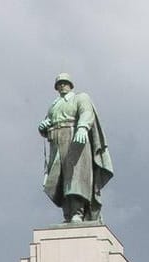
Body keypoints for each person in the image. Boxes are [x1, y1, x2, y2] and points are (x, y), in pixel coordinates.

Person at [38, 73, 113, 222]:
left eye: (65, 83)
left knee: (75, 177)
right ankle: (67, 213)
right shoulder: (54, 105)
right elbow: (48, 122)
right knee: (60, 178)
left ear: (70, 84)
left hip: (75, 140)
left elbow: (86, 112)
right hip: (56, 142)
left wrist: (83, 128)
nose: (62, 86)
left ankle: (77, 212)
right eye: (59, 84)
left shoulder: (80, 97)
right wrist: (43, 127)